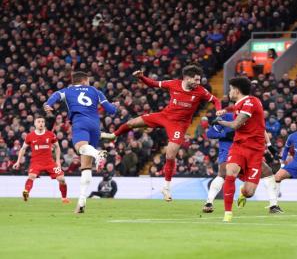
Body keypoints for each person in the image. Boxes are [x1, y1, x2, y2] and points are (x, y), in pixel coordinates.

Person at [101, 65, 221, 201]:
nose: (199, 83)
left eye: (199, 80)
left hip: (179, 125)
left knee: (170, 154)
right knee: (131, 123)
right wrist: (141, 77)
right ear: (187, 78)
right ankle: (113, 135)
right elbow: (153, 83)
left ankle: (166, 187)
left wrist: (218, 110)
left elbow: (215, 100)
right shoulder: (173, 84)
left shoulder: (200, 91)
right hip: (164, 116)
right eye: (196, 80)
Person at [45, 71, 118, 213]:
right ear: (84, 81)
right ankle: (81, 203)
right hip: (95, 127)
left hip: (80, 123)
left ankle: (98, 155)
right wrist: (115, 105)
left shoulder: (68, 90)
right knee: (86, 167)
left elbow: (56, 96)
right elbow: (111, 110)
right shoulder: (95, 91)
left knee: (80, 147)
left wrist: (48, 104)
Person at [202, 113, 282, 214]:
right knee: (223, 172)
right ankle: (209, 202)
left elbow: (261, 129)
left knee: (266, 174)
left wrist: (269, 146)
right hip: (228, 151)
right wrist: (225, 135)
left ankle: (273, 205)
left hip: (248, 152)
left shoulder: (250, 116)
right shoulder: (227, 117)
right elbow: (210, 133)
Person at [213, 77, 268, 222]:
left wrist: (220, 121)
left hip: (255, 150)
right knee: (230, 173)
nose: (229, 92)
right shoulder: (241, 103)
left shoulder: (251, 102)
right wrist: (225, 109)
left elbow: (236, 124)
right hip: (239, 146)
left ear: (236, 90)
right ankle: (228, 213)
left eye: (230, 89)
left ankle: (243, 194)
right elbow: (235, 108)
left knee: (249, 192)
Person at [12, 117, 69, 203]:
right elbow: (23, 149)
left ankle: (64, 198)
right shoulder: (30, 136)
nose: (41, 123)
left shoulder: (50, 134)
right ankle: (26, 192)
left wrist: (57, 161)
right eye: (39, 122)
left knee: (62, 179)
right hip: (36, 162)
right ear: (35, 124)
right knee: (32, 176)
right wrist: (18, 161)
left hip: (50, 162)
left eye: (42, 121)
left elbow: (57, 147)